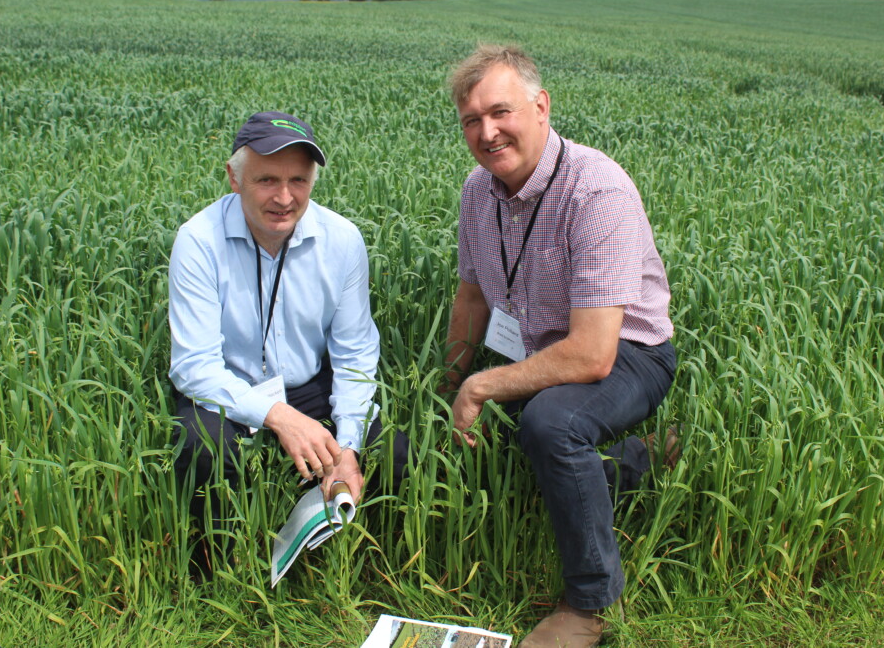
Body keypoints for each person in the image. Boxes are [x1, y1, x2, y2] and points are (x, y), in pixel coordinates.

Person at [442, 46, 678, 647]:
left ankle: (591, 604)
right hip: (543, 351)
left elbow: (593, 354)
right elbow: (471, 298)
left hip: (628, 353)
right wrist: (447, 385)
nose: (487, 132)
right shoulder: (479, 191)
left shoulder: (594, 189)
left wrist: (481, 384)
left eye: (501, 112)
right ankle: (634, 466)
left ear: (541, 107)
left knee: (551, 424)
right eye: (472, 119)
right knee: (516, 427)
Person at [169, 111, 406, 575]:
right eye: (267, 180)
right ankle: (219, 574)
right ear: (234, 178)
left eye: (299, 179)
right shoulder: (197, 241)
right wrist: (278, 417)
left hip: (308, 383)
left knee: (393, 452)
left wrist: (349, 445)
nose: (284, 197)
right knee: (201, 446)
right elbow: (193, 366)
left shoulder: (342, 240)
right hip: (225, 384)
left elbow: (355, 353)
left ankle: (358, 571)